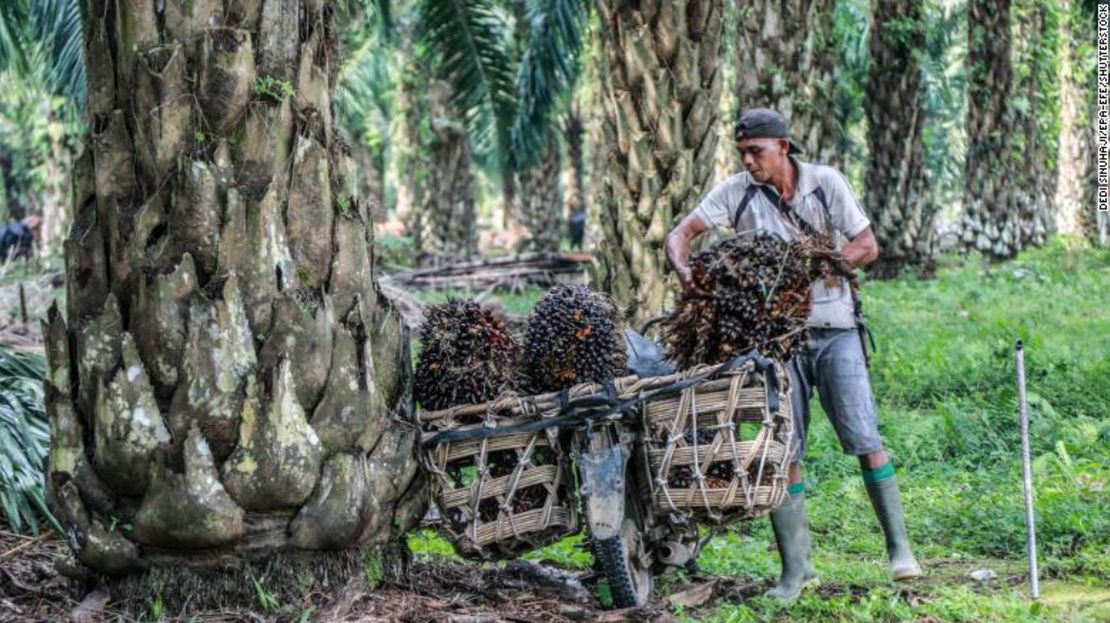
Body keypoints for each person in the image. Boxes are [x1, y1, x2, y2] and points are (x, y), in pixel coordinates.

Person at [664, 108, 922, 599]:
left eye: (756, 151)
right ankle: (796, 572)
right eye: (741, 152)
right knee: (785, 452)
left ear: (783, 147)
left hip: (836, 332)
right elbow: (680, 234)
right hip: (779, 344)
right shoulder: (736, 192)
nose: (748, 161)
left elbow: (867, 244)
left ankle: (900, 551)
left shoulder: (825, 184)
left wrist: (824, 265)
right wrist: (684, 273)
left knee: (866, 439)